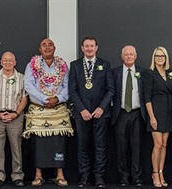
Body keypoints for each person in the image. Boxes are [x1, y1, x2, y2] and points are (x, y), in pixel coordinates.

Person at [22, 38, 73, 187]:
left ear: (55, 48)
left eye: (50, 44)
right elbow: (28, 86)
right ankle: (38, 174)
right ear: (39, 49)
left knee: (59, 143)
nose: (47, 47)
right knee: (38, 143)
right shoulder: (32, 65)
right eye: (44, 45)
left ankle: (60, 174)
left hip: (59, 109)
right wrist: (45, 99)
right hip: (38, 109)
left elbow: (67, 86)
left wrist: (57, 98)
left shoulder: (62, 65)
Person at [69, 36, 114, 188]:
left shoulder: (105, 64)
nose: (89, 48)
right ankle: (84, 176)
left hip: (101, 113)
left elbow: (110, 89)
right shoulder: (74, 65)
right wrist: (82, 110)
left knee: (100, 146)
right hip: (81, 113)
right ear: (82, 48)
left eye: (92, 46)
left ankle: (99, 176)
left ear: (96, 47)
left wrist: (101, 107)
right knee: (82, 145)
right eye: (86, 46)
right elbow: (72, 90)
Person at [0, 51, 27, 187]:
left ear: (15, 62)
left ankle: (17, 176)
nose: (8, 63)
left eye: (10, 60)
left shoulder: (22, 78)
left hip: (15, 117)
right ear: (1, 62)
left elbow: (24, 98)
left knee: (16, 147)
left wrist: (16, 113)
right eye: (5, 60)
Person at [111, 45, 146, 187]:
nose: (129, 56)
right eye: (126, 54)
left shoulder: (143, 72)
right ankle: (124, 177)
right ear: (122, 56)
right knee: (121, 148)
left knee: (137, 148)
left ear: (136, 56)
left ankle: (136, 177)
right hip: (120, 114)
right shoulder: (115, 73)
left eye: (131, 54)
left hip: (138, 114)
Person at [143, 46, 172, 187]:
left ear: (166, 58)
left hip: (168, 112)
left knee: (165, 144)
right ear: (153, 58)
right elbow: (147, 97)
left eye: (162, 56)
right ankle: (154, 173)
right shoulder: (149, 73)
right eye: (157, 56)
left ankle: (161, 171)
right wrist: (152, 117)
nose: (160, 58)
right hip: (155, 111)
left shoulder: (170, 73)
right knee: (157, 144)